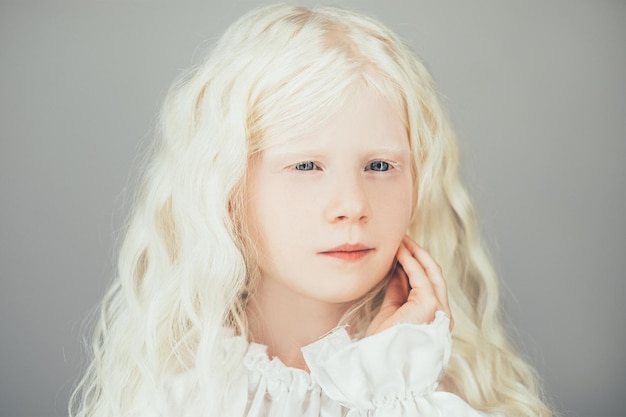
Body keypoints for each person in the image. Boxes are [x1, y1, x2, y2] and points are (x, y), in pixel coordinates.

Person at [70, 4, 552, 417]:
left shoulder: (432, 389)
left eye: (380, 165)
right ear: (227, 188)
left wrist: (396, 391)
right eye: (305, 165)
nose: (352, 205)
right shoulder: (183, 397)